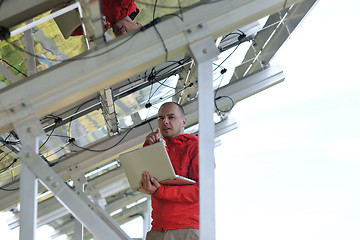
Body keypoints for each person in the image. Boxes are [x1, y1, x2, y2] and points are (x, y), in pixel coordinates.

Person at [140, 102, 199, 240]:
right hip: (157, 229)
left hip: (186, 229)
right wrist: (150, 149)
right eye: (161, 118)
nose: (165, 121)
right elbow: (145, 178)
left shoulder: (196, 147)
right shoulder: (160, 148)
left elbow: (200, 191)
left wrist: (160, 190)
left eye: (171, 117)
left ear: (183, 121)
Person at [70, 0, 141, 37]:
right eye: (129, 35)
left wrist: (91, 26)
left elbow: (67, 28)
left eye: (122, 40)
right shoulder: (126, 3)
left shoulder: (101, 26)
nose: (123, 34)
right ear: (138, 25)